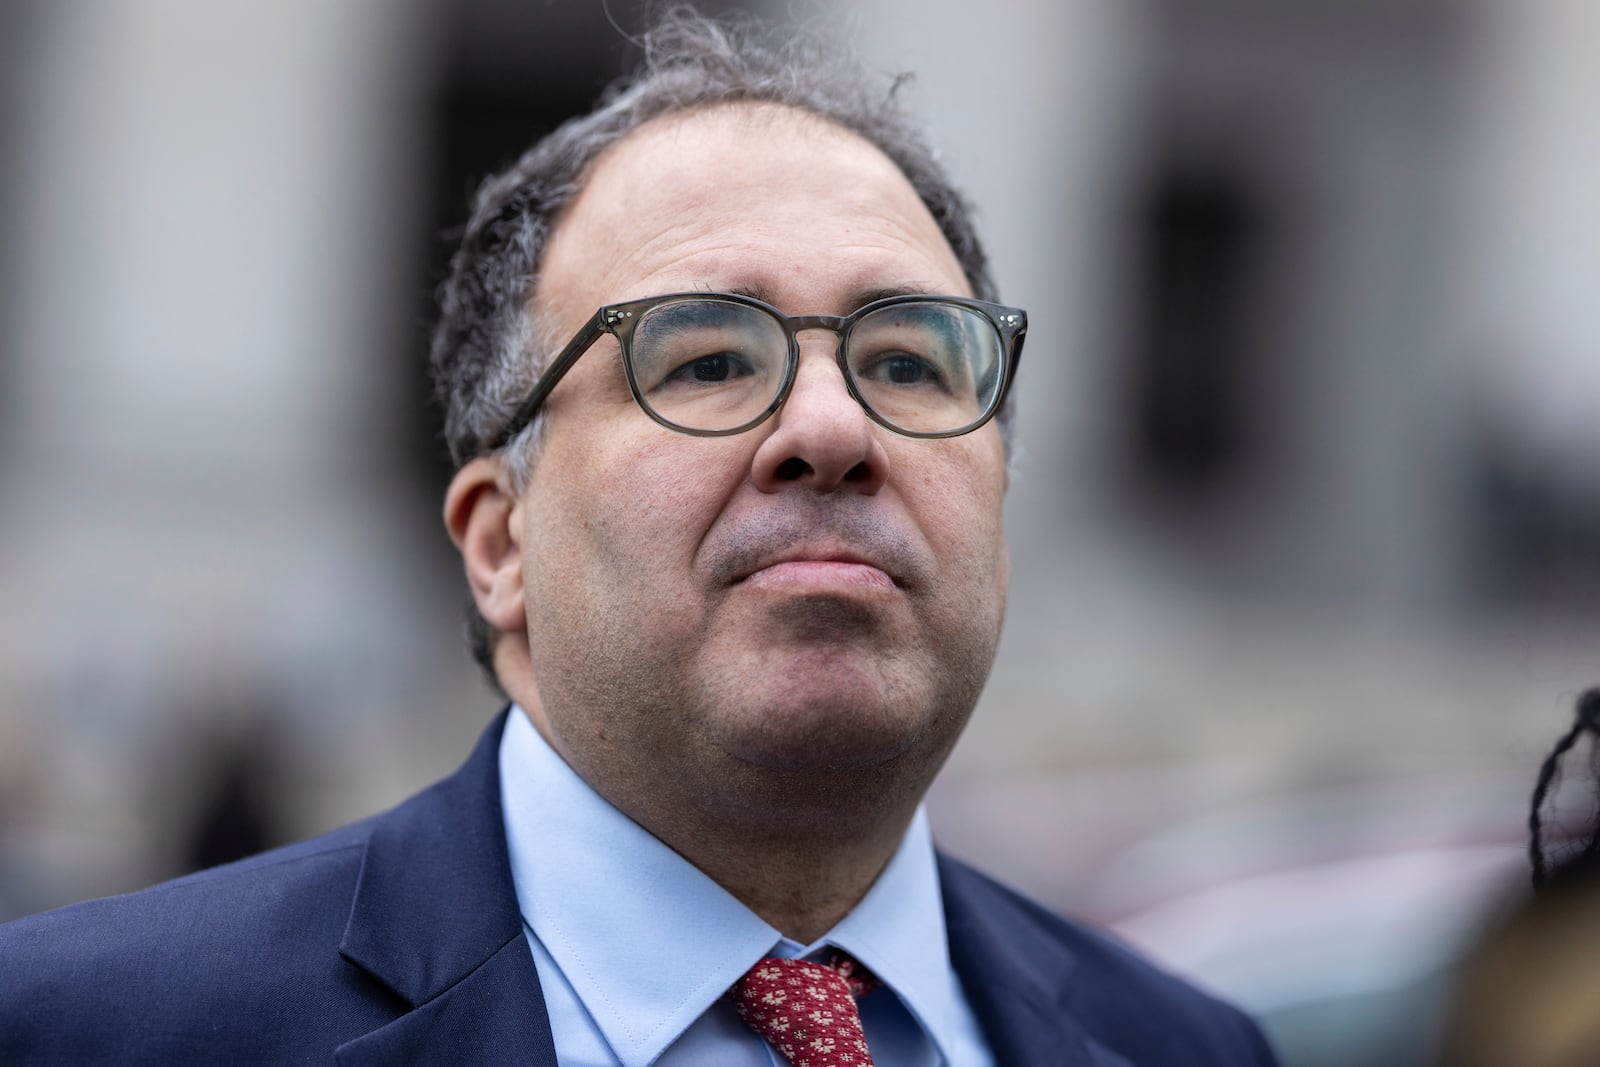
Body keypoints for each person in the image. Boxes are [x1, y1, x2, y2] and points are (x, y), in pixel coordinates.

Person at [0, 10, 1277, 1065]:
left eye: (907, 358)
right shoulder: (84, 1030)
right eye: (711, 356)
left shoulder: (1192, 1045)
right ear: (498, 542)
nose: (831, 426)